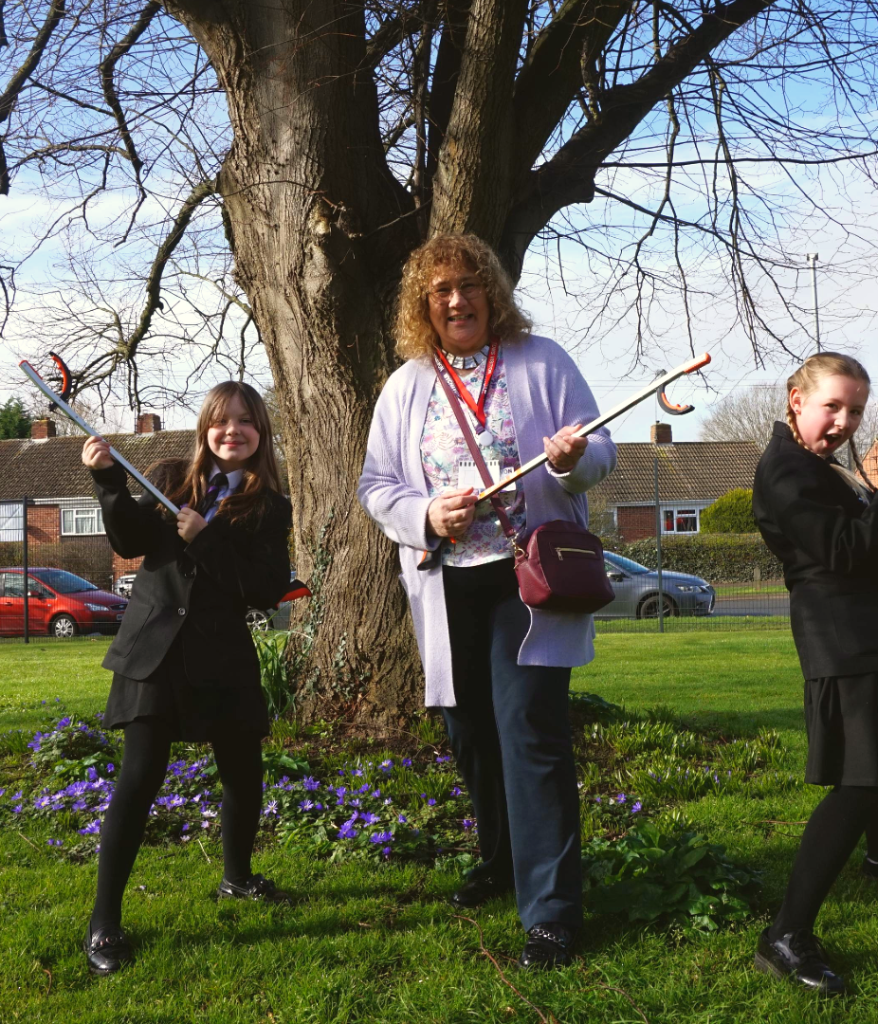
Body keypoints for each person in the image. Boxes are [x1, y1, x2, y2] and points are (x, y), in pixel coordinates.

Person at [358, 233, 616, 969]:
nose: (456, 299)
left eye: (469, 285)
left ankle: (552, 914)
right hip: (447, 583)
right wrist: (425, 517)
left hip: (526, 580)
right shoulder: (408, 383)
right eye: (440, 290)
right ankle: (503, 861)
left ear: (491, 294)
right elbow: (377, 485)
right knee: (469, 730)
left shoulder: (543, 361)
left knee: (529, 728)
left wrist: (571, 461)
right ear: (423, 305)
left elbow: (600, 451)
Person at [751, 352, 878, 997]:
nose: (843, 421)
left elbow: (862, 542)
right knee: (861, 779)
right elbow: (842, 553)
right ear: (795, 400)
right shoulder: (785, 470)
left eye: (855, 410)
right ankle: (785, 932)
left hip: (873, 629)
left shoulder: (821, 467)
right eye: (832, 406)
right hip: (841, 639)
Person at [79, 381, 294, 976]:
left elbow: (264, 587)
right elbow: (130, 539)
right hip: (153, 656)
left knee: (243, 773)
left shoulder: (270, 506)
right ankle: (104, 923)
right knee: (139, 778)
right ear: (205, 428)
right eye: (222, 422)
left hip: (221, 659)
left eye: (246, 422)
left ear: (260, 434)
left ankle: (236, 877)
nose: (233, 432)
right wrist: (107, 483)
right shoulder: (171, 477)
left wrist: (208, 535)